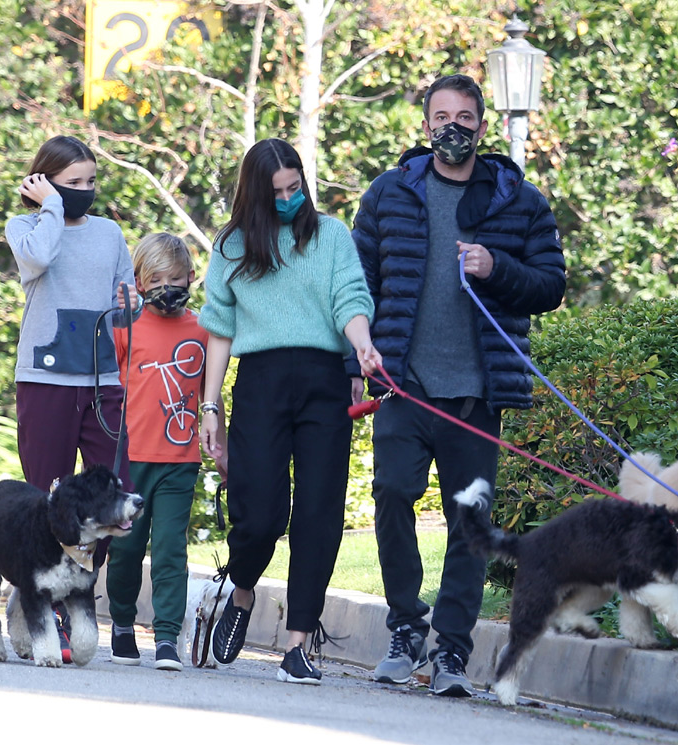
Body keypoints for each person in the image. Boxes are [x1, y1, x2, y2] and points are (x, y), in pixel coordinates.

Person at [349, 74, 566, 696]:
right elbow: (357, 287)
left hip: (476, 394)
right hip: (401, 386)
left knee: (469, 521)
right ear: (424, 126)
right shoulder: (389, 193)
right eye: (440, 115)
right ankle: (404, 627)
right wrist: (353, 365)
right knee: (391, 492)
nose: (453, 126)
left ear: (481, 125)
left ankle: (451, 650)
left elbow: (551, 284)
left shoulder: (517, 200)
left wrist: (495, 266)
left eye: (465, 116)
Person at [198, 138, 381, 684]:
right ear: (255, 194)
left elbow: (350, 298)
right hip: (260, 383)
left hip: (323, 381)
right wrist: (211, 406)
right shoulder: (232, 246)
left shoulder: (330, 237)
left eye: (294, 187)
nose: (287, 198)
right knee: (258, 513)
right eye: (276, 191)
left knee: (319, 514)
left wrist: (363, 344)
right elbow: (219, 330)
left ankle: (299, 641)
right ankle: (245, 589)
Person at [5, 134, 142, 663]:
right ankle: (46, 607)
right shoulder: (27, 228)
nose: (85, 191)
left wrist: (131, 307)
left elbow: (125, 299)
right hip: (45, 380)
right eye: (73, 183)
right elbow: (38, 260)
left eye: (91, 182)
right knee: (45, 494)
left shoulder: (109, 233)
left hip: (104, 380)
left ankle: (71, 587)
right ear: (44, 184)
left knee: (115, 494)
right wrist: (53, 209)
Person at [106, 232, 227, 671]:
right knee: (126, 548)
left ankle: (167, 638)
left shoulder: (204, 328)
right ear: (138, 281)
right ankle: (121, 624)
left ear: (192, 277)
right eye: (154, 280)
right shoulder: (124, 327)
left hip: (180, 462)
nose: (165, 288)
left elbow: (212, 395)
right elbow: (109, 391)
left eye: (174, 278)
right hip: (130, 461)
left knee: (171, 550)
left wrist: (221, 448)